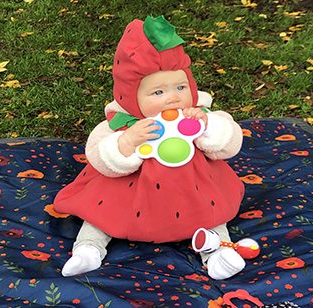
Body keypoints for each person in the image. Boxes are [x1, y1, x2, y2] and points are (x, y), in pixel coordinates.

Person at [54, 16, 245, 280]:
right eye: (158, 93)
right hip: (127, 193)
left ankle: (217, 254)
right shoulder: (121, 122)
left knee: (214, 213)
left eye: (180, 87)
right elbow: (99, 156)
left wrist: (207, 125)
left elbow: (228, 143)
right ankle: (88, 249)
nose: (173, 97)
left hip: (194, 188)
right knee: (100, 214)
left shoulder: (197, 114)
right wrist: (127, 142)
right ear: (132, 96)